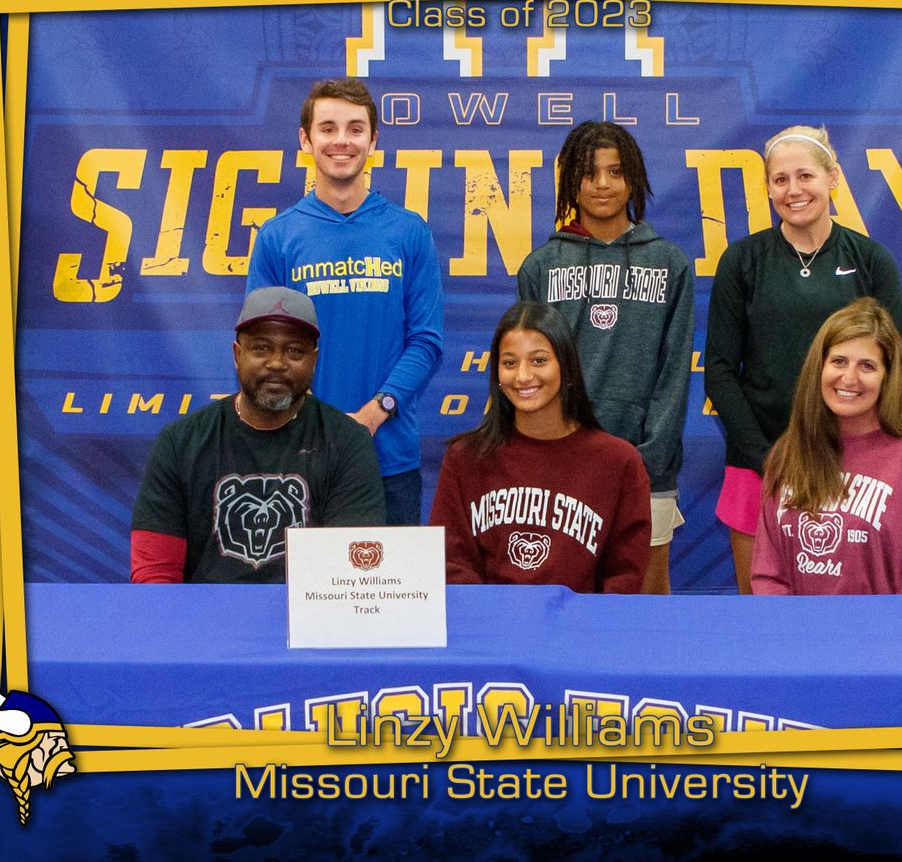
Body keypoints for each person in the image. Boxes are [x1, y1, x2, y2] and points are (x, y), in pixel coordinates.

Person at [704, 125, 902, 593]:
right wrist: (766, 457)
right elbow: (718, 370)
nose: (793, 190)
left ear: (833, 177)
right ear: (768, 187)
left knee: (846, 615)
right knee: (763, 621)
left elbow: (890, 367)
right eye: (779, 180)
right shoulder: (741, 261)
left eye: (805, 176)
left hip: (851, 468)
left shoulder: (874, 261)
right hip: (760, 465)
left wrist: (852, 454)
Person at [246, 77, 442, 525]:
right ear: (305, 139)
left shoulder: (409, 231)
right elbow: (262, 348)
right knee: (300, 594)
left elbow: (426, 341)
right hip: (297, 453)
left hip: (389, 458)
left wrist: (378, 412)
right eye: (328, 128)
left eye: (355, 129)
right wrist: (314, 418)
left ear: (373, 140)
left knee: (391, 593)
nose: (341, 141)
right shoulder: (278, 237)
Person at [516, 121, 692, 594]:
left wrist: (648, 457)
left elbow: (675, 371)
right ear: (571, 181)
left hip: (647, 466)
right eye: (589, 173)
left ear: (633, 178)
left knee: (647, 601)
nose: (602, 185)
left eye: (615, 172)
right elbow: (531, 374)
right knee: (565, 591)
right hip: (564, 465)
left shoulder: (669, 263)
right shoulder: (542, 266)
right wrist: (562, 451)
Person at [130, 287, 386, 583]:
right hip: (203, 621)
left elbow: (350, 574)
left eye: (294, 351)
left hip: (308, 620)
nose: (277, 363)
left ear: (314, 361)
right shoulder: (180, 442)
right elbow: (154, 572)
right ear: (238, 355)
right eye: (261, 348)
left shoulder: (347, 442)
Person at [429, 301, 652, 594]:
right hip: (492, 632)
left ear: (566, 366)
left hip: (580, 633)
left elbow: (625, 575)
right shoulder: (465, 458)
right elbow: (451, 566)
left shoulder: (619, 462)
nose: (522, 376)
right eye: (509, 363)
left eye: (538, 361)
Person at [750, 298, 902, 594]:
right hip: (799, 637)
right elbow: (768, 577)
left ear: (889, 377)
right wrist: (797, 636)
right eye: (838, 361)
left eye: (867, 366)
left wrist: (873, 639)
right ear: (819, 367)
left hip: (887, 639)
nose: (849, 378)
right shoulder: (788, 453)